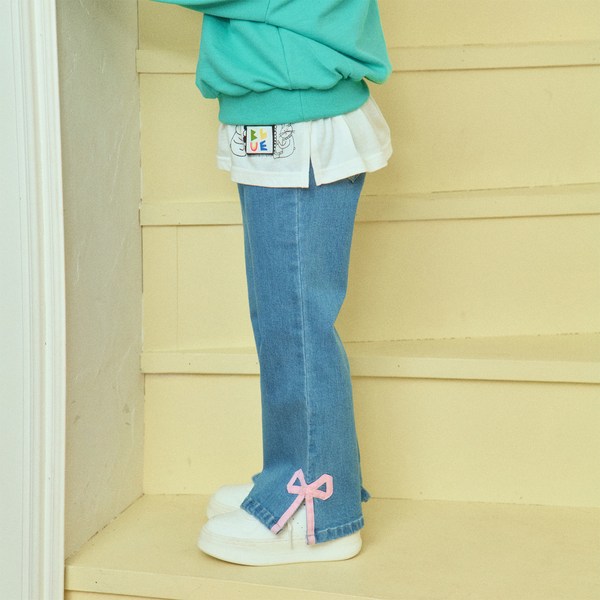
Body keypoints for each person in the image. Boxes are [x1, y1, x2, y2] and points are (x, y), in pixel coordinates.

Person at [152, 0, 393, 566]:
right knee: (284, 317)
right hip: (287, 102)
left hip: (297, 113)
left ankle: (316, 511)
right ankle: (294, 474)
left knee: (296, 324)